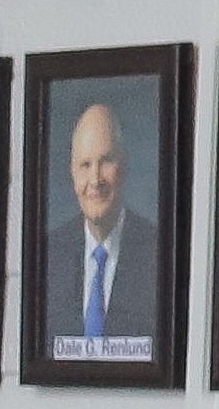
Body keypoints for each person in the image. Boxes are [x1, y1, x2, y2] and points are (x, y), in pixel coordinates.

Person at [56, 96, 163, 359]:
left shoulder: (160, 252)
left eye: (106, 161)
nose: (95, 179)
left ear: (123, 165)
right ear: (72, 174)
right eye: (85, 165)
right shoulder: (48, 254)